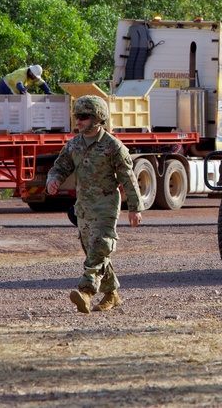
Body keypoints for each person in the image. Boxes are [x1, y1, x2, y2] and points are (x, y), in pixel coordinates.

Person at [46, 95, 144, 313]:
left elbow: (128, 179)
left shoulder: (113, 147)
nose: (78, 121)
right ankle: (112, 294)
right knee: (95, 253)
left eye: (83, 117)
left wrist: (135, 209)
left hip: (105, 208)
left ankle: (86, 293)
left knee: (100, 248)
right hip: (83, 208)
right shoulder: (74, 144)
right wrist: (53, 180)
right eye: (76, 116)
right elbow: (60, 167)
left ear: (98, 119)